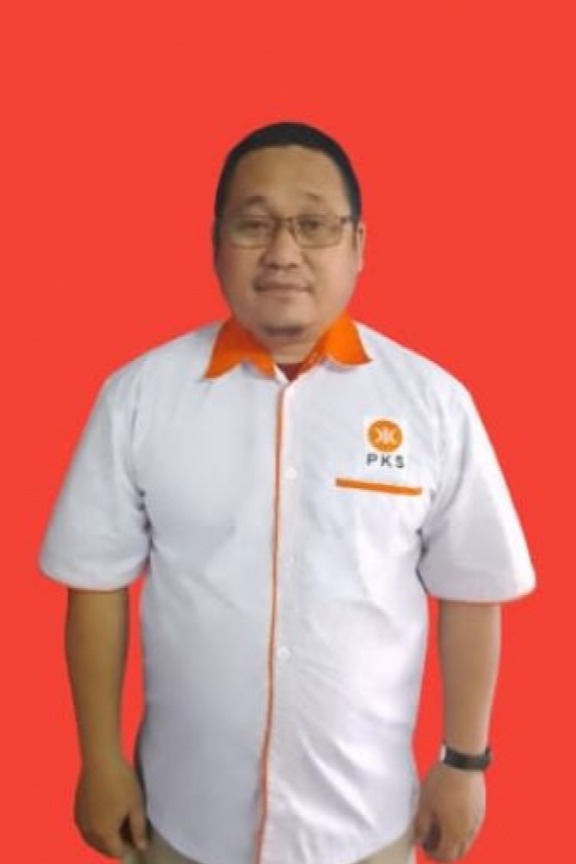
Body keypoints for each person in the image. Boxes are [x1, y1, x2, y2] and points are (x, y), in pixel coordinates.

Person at [39, 121, 535, 864]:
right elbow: (95, 584)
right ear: (215, 243)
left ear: (358, 244)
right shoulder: (139, 396)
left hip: (365, 825)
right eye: (254, 224)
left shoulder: (432, 403)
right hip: (184, 819)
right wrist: (100, 759)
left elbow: (472, 591)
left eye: (313, 224)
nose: (282, 252)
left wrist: (464, 761)